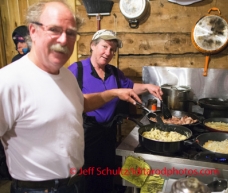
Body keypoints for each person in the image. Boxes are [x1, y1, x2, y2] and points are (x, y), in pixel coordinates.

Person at [0, 1, 142, 193]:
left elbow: (81, 104)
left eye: (71, 33)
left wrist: (114, 92)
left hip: (76, 183)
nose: (63, 39)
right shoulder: (8, 81)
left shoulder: (65, 74)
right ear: (33, 31)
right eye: (55, 30)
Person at [68, 29, 163, 193]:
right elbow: (69, 101)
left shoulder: (114, 72)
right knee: (86, 178)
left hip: (108, 133)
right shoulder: (77, 70)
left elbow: (130, 86)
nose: (108, 52)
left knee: (106, 173)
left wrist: (147, 86)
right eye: (104, 47)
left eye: (112, 50)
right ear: (93, 46)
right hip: (84, 134)